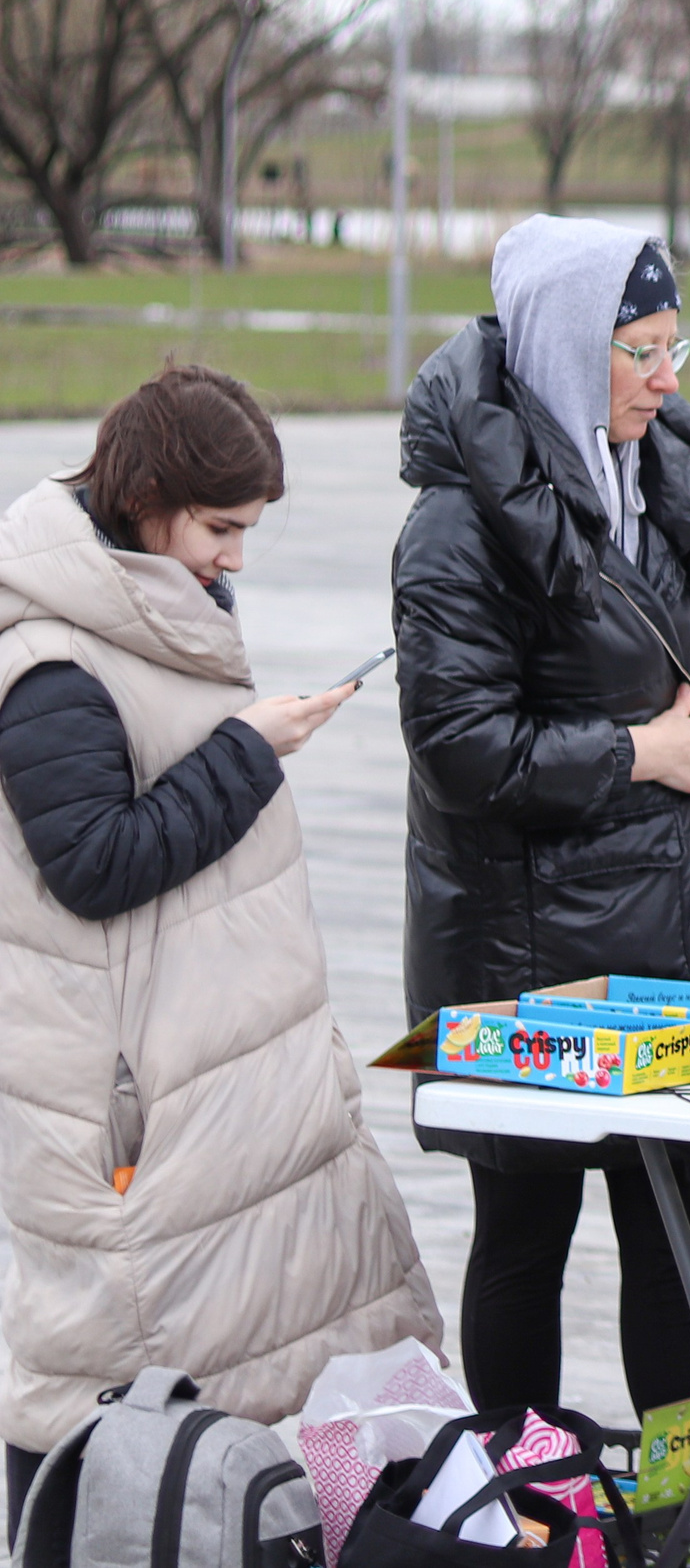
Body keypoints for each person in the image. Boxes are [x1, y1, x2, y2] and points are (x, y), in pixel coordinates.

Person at [0, 368, 440, 1537]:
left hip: (212, 1075)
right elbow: (91, 863)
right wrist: (248, 750)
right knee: (101, 1398)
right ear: (146, 499)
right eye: (220, 528)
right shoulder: (52, 662)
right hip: (130, 1113)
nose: (236, 558)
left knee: (283, 1355)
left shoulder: (139, 602)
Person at [393, 218, 690, 1429]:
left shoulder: (649, 469)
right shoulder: (459, 530)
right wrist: (638, 751)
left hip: (663, 933)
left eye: (677, 346)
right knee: (527, 1233)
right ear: (570, 353)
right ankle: (527, 1506)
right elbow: (460, 750)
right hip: (526, 957)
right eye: (642, 351)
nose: (670, 378)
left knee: (679, 1239)